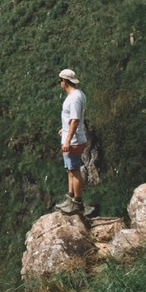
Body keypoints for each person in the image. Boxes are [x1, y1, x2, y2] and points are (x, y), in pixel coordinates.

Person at [55, 68, 87, 215]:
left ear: (65, 81)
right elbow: (71, 120)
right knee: (70, 170)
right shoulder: (78, 95)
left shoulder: (74, 98)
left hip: (73, 141)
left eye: (60, 81)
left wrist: (68, 140)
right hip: (71, 137)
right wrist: (65, 130)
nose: (60, 83)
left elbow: (75, 120)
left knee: (75, 171)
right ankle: (71, 198)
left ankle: (77, 203)